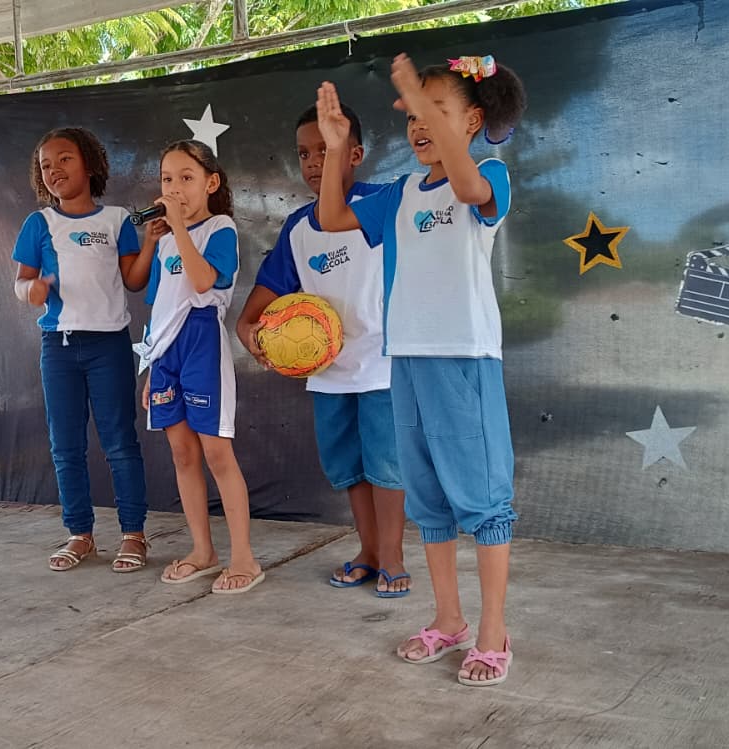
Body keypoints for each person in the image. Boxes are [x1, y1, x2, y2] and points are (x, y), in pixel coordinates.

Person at [314, 53, 527, 686]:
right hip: (404, 362)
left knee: (483, 501)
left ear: (473, 121)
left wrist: (417, 92)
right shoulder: (399, 193)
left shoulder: (488, 175)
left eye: (436, 111)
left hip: (464, 361)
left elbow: (468, 190)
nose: (419, 125)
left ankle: (493, 632)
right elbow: (331, 219)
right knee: (429, 502)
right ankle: (448, 620)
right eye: (413, 114)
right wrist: (336, 148)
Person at [236, 103, 410, 598]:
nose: (314, 162)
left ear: (354, 154)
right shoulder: (298, 228)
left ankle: (393, 557)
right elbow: (256, 309)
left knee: (386, 467)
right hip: (329, 372)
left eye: (326, 150)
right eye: (304, 154)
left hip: (382, 365)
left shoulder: (384, 205)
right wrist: (251, 333)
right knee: (349, 466)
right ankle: (368, 552)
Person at [123, 139, 264, 594]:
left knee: (216, 453)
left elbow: (203, 282)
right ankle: (203, 551)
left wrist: (180, 227)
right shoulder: (166, 240)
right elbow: (161, 305)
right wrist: (151, 368)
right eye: (168, 179)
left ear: (211, 183)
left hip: (202, 342)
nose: (175, 188)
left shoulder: (220, 228)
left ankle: (244, 558)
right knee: (182, 453)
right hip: (166, 352)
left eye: (186, 178)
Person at [11, 127, 149, 573]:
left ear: (89, 164)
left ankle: (134, 534)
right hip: (59, 347)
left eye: (64, 159)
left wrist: (150, 244)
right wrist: (31, 290)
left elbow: (134, 280)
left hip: (109, 344)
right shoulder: (39, 224)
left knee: (120, 443)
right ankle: (80, 534)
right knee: (65, 445)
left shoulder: (117, 220)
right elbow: (21, 282)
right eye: (45, 165)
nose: (54, 170)